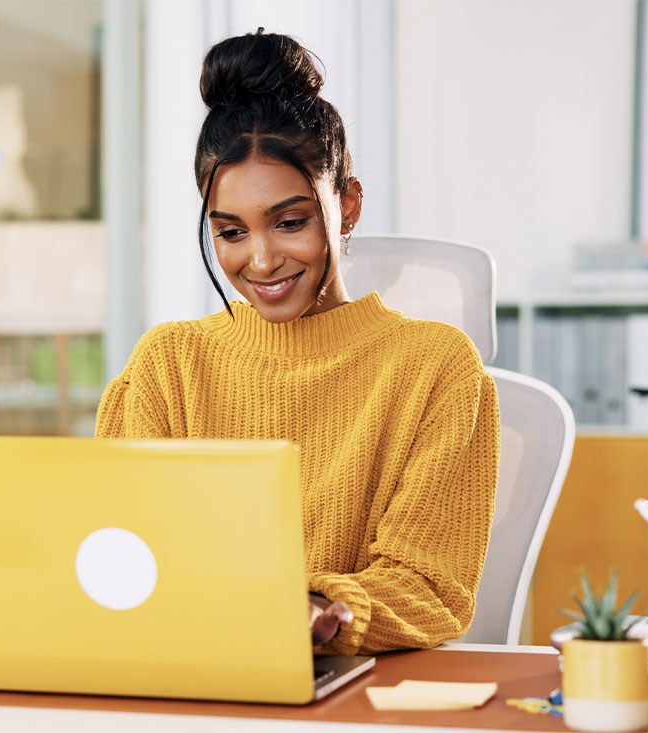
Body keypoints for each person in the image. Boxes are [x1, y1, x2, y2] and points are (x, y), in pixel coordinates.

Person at [95, 29, 499, 656]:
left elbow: (429, 588)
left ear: (349, 205)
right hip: (181, 675)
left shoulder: (435, 367)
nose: (261, 261)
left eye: (290, 222)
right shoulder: (167, 365)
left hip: (350, 692)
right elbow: (120, 554)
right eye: (230, 232)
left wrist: (318, 609)